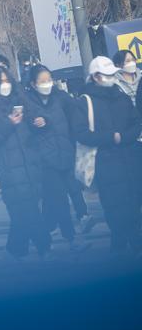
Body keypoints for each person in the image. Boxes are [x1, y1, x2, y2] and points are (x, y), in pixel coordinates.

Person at [0, 66, 51, 259]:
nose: (5, 85)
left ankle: (16, 248)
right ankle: (44, 246)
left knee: (24, 212)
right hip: (7, 167)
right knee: (27, 210)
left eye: (7, 80)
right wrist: (8, 123)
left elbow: (39, 115)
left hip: (30, 163)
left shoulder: (21, 99)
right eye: (1, 82)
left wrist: (41, 121)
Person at [72, 57, 142, 254]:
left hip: (130, 158)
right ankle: (121, 240)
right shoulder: (84, 102)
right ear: (96, 77)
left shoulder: (121, 97)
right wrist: (110, 137)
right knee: (114, 204)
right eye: (107, 75)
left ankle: (131, 240)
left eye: (112, 75)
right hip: (105, 161)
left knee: (133, 202)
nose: (111, 78)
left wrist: (124, 137)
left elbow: (136, 123)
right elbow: (81, 132)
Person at [25, 65, 88, 252]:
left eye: (49, 80)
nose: (47, 84)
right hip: (45, 160)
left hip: (65, 153)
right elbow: (26, 125)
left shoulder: (60, 97)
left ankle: (47, 232)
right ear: (33, 84)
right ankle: (70, 238)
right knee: (59, 200)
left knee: (68, 193)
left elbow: (75, 115)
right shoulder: (28, 102)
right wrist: (35, 124)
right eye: (42, 81)